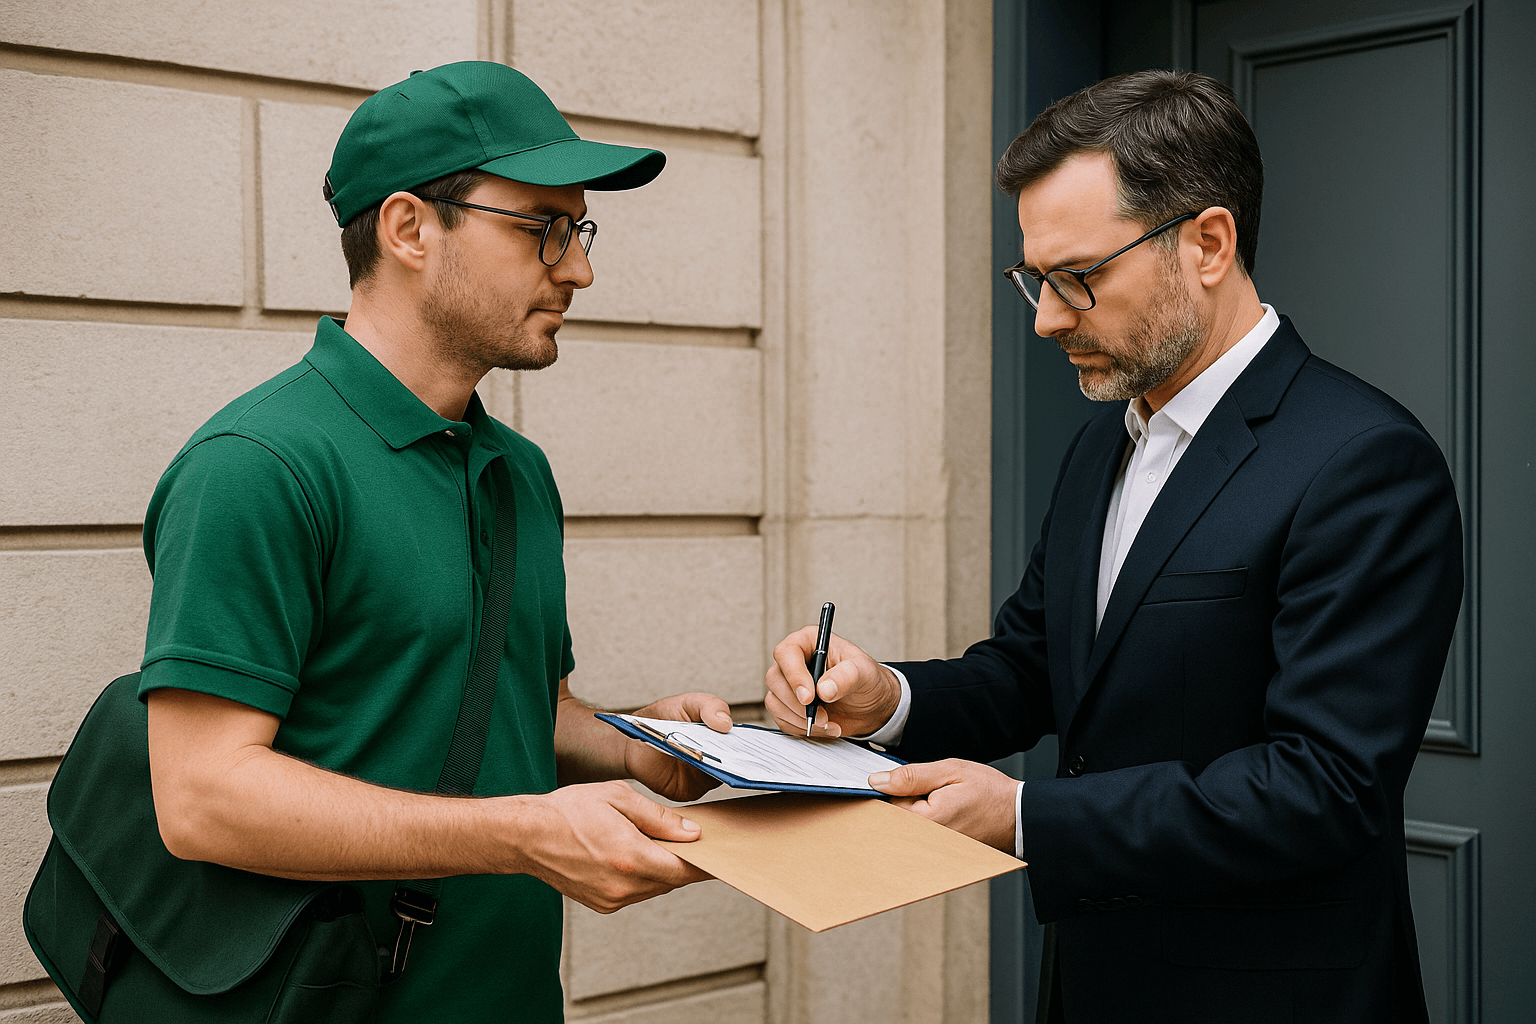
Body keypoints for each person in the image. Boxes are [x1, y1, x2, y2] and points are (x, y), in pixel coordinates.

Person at [765, 70, 1462, 1023]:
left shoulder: (1366, 461)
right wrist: (888, 698)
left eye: (1078, 278)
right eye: (1034, 279)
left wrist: (1022, 817)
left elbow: (1325, 788)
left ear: (1207, 244)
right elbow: (1030, 669)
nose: (1048, 318)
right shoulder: (1105, 440)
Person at [141, 61, 734, 1023]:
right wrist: (520, 834)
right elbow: (203, 796)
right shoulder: (258, 464)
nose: (579, 268)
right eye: (543, 228)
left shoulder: (516, 468)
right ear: (411, 228)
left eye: (577, 230)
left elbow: (509, 712)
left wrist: (634, 748)